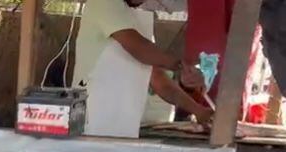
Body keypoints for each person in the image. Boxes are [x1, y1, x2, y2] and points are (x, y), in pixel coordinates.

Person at [73, 0, 213, 127]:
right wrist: (180, 65)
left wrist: (199, 111)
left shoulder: (136, 19)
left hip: (125, 122)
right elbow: (138, 47)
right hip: (92, 113)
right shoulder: (104, 3)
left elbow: (159, 80)